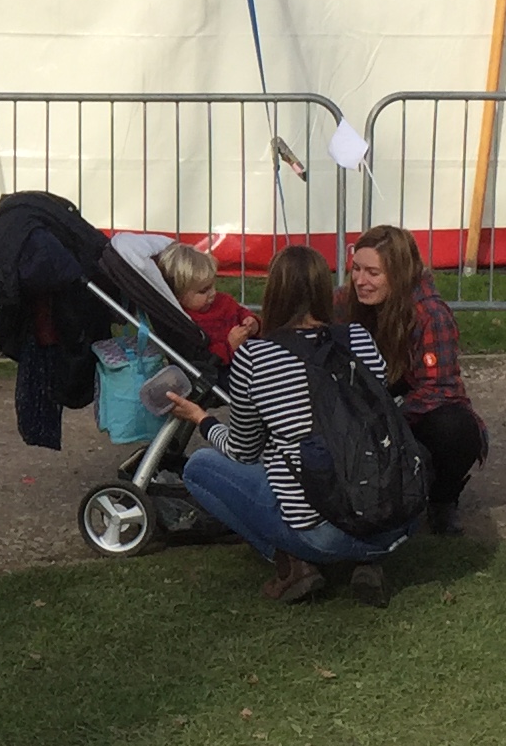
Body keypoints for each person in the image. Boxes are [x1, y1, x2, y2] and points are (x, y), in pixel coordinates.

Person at [158, 245, 400, 607]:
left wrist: (202, 419)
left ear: (273, 292)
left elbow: (242, 450)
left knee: (200, 467)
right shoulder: (359, 338)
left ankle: (294, 562)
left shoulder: (256, 356)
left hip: (324, 530)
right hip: (392, 519)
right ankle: (369, 559)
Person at [344, 225, 484, 535]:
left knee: (456, 428)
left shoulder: (430, 313)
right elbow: (304, 316)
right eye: (356, 269)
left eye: (372, 273)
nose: (360, 281)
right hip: (371, 396)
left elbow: (439, 388)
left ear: (398, 274)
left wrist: (387, 417)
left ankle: (442, 498)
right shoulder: (348, 301)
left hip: (414, 405)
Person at [149, 241, 253, 361]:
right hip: (218, 371)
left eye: (213, 285)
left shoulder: (223, 301)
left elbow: (240, 312)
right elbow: (200, 359)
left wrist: (251, 321)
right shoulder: (182, 323)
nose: (213, 292)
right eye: (204, 291)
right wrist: (229, 346)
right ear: (178, 295)